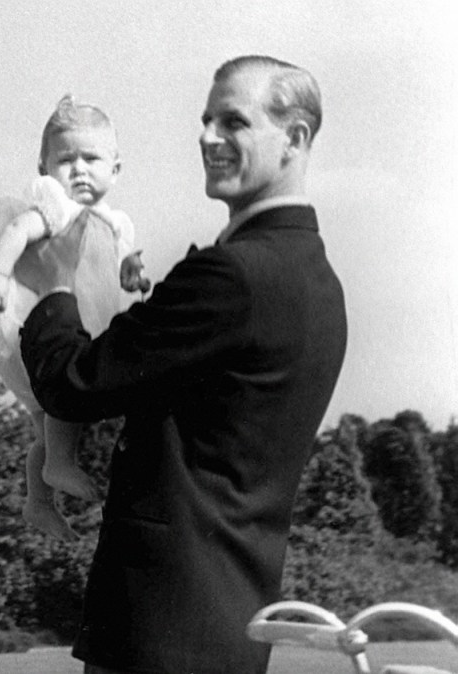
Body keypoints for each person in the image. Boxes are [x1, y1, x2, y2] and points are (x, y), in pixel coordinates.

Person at [19, 56, 347, 673]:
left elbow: (71, 384)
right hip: (230, 621)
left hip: (160, 626)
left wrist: (54, 284)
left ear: (296, 138)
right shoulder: (316, 280)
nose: (207, 137)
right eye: (205, 120)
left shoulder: (233, 276)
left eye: (234, 122)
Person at [0, 94, 148, 541]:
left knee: (46, 429)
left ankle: (38, 501)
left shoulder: (116, 222)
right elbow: (15, 233)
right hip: (41, 338)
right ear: (44, 168)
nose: (79, 169)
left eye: (92, 158)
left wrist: (133, 274)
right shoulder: (54, 207)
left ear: (116, 168)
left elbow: (123, 262)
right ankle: (59, 467)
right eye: (66, 160)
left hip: (73, 333)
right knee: (64, 409)